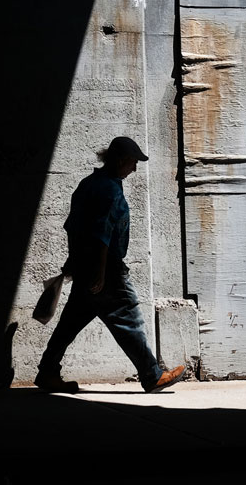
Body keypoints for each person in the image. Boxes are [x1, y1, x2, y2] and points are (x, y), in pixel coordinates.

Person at [34, 136, 186, 394]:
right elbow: (101, 233)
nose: (135, 168)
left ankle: (48, 372)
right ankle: (152, 375)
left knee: (69, 324)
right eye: (133, 163)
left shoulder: (88, 184)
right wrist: (101, 272)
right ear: (120, 161)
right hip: (106, 270)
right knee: (129, 317)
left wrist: (73, 260)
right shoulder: (110, 189)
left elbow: (73, 226)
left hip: (84, 266)